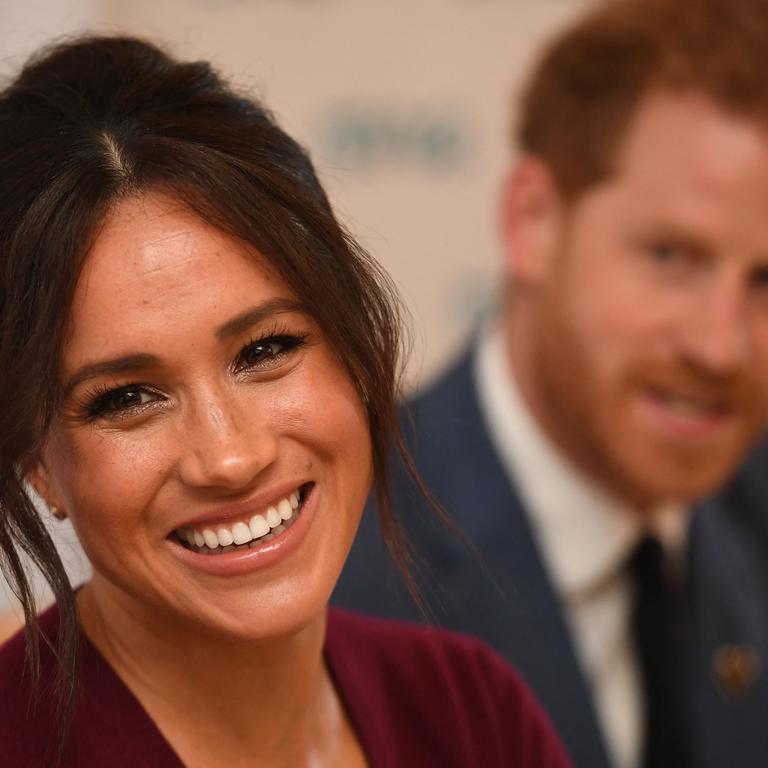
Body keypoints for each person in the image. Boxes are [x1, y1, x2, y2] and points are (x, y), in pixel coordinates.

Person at [0, 36, 571, 768]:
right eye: (127, 398)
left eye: (266, 350)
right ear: (34, 460)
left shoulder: (470, 710)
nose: (231, 455)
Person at [334, 1, 768, 767]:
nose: (722, 346)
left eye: (766, 282)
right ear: (532, 219)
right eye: (671, 257)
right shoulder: (338, 571)